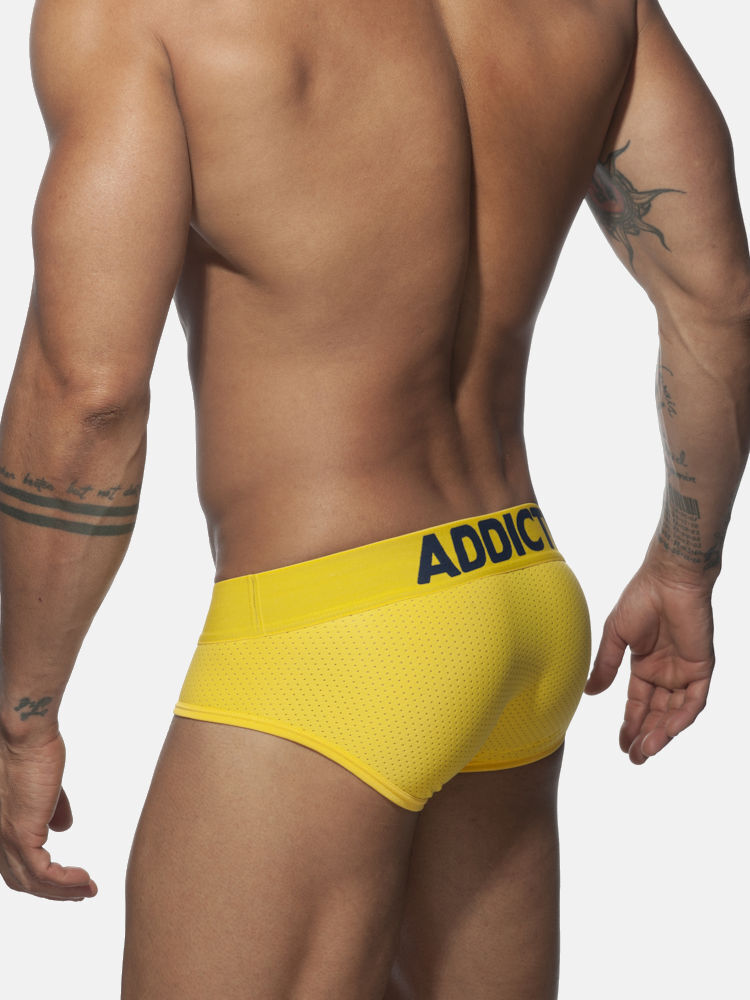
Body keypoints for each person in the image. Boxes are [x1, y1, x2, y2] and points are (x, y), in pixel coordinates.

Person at [0, 0, 748, 997]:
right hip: (521, 592)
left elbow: (86, 393)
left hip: (332, 639)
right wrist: (685, 567)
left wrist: (24, 711)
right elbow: (719, 300)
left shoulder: (140, 11)